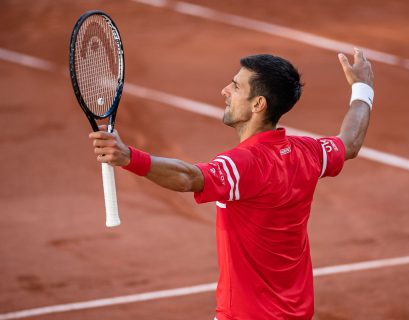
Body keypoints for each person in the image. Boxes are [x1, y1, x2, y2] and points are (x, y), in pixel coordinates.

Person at [89, 48, 374, 320]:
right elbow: (349, 142)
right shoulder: (307, 152)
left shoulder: (244, 163)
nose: (225, 91)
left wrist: (129, 157)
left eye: (236, 87)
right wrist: (362, 89)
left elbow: (189, 177)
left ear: (258, 104)